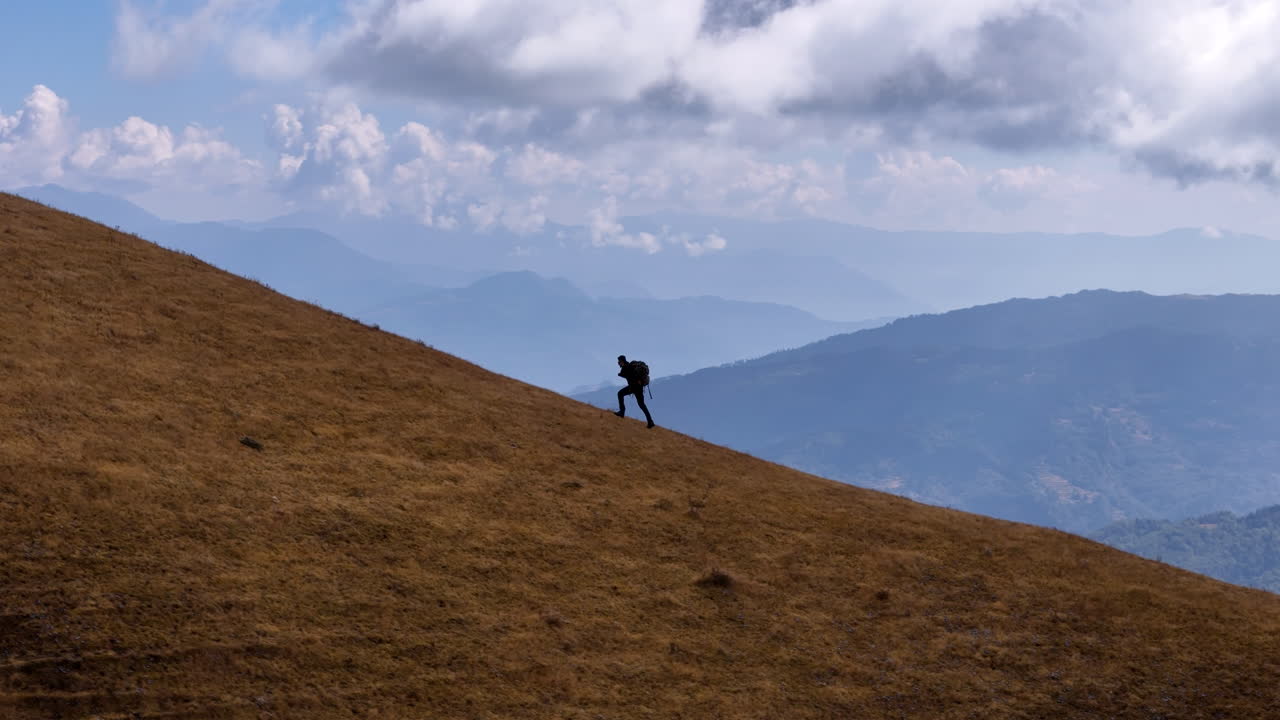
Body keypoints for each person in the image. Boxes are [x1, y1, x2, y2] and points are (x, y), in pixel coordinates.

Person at [615, 355, 655, 428]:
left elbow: (625, 374)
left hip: (634, 387)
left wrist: (620, 374)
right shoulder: (629, 366)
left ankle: (622, 412)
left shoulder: (626, 367)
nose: (618, 363)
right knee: (641, 405)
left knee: (620, 394)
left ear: (622, 361)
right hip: (638, 388)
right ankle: (650, 421)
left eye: (619, 362)